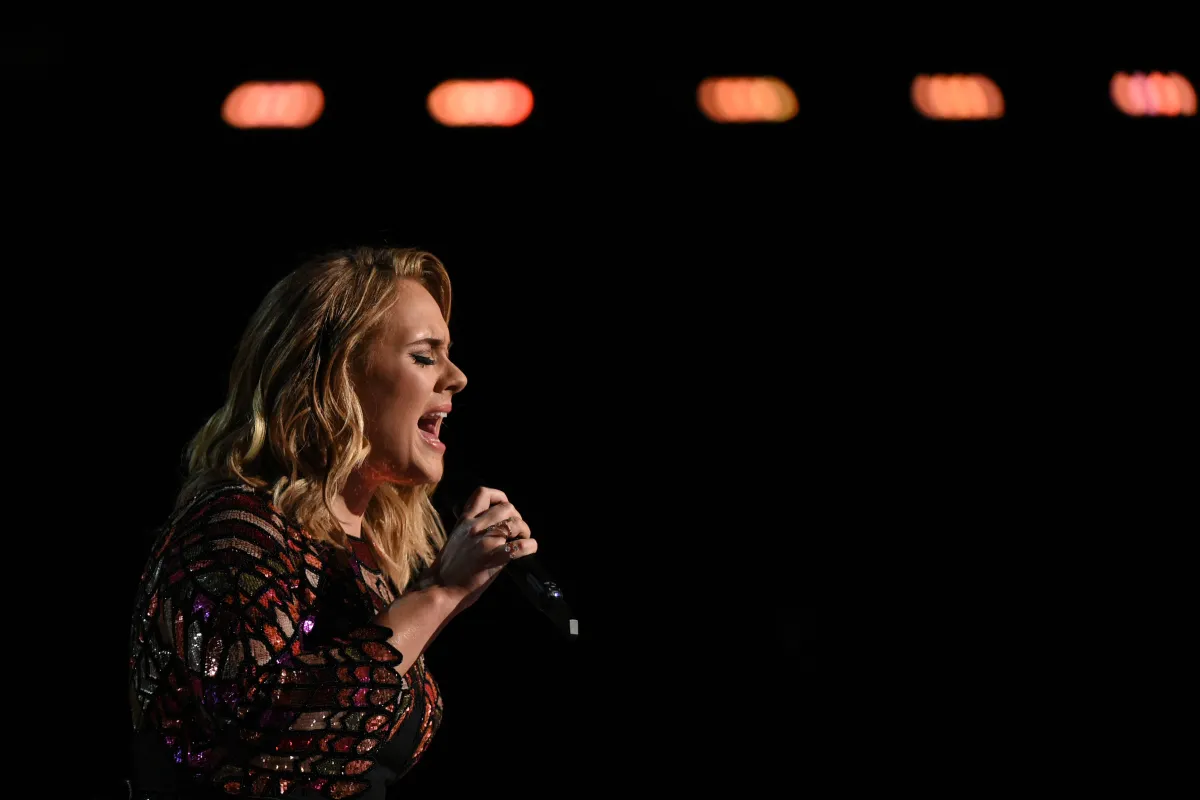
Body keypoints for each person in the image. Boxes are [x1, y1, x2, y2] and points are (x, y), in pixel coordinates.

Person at [128, 247, 536, 799]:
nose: (458, 378)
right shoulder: (233, 531)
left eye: (449, 355)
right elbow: (265, 728)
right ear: (337, 375)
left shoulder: (356, 558)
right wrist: (438, 594)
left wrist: (442, 593)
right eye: (424, 356)